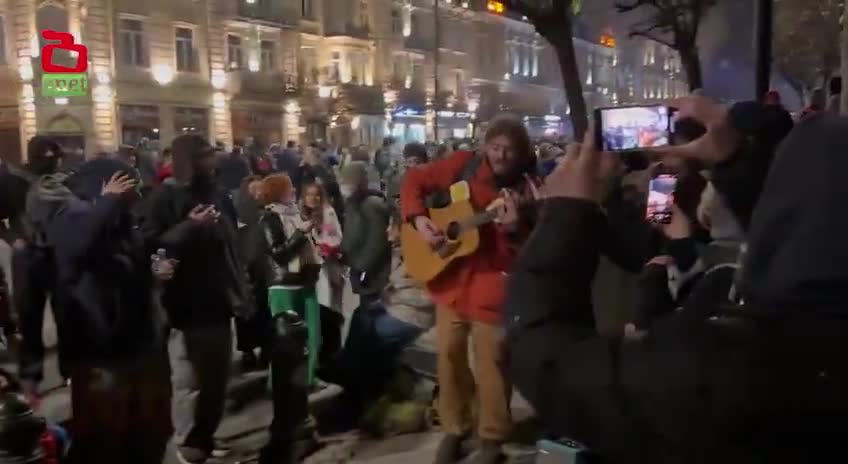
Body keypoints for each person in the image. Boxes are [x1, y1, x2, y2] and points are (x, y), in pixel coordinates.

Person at [503, 96, 848, 464]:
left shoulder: (726, 369)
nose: (669, 155)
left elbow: (551, 362)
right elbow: (780, 227)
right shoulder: (667, 183)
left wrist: (579, 215)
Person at [400, 116, 540, 464]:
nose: (501, 155)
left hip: (492, 285)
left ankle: (492, 436)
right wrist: (419, 220)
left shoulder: (528, 189)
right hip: (450, 278)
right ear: (484, 145)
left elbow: (529, 250)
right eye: (495, 147)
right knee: (448, 356)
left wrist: (512, 230)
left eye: (509, 150)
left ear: (521, 153)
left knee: (492, 363)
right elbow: (414, 180)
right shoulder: (465, 164)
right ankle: (455, 428)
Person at [45, 159, 175, 464]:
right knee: (104, 436)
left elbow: (130, 265)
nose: (135, 198)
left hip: (138, 347)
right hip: (99, 353)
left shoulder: (119, 221)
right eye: (128, 190)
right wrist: (107, 203)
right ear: (105, 185)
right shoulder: (73, 215)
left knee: (142, 430)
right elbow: (74, 251)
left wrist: (154, 271)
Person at [141, 134, 248, 464]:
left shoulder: (216, 193)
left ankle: (206, 437)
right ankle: (187, 444)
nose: (213, 162)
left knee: (217, 380)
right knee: (189, 382)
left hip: (217, 300)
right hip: (184, 306)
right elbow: (150, 244)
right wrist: (190, 226)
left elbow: (231, 242)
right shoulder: (163, 198)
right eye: (205, 157)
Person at [300, 182, 344, 362]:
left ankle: (331, 354)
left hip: (327, 268)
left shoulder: (328, 212)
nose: (313, 198)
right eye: (309, 194)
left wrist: (322, 247)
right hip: (310, 270)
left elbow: (335, 238)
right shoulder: (301, 214)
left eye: (316, 195)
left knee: (329, 310)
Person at [339, 161, 391, 309]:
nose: (344, 185)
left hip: (374, 273)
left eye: (348, 181)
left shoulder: (370, 204)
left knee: (372, 309)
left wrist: (362, 268)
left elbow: (377, 241)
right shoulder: (353, 203)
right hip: (362, 268)